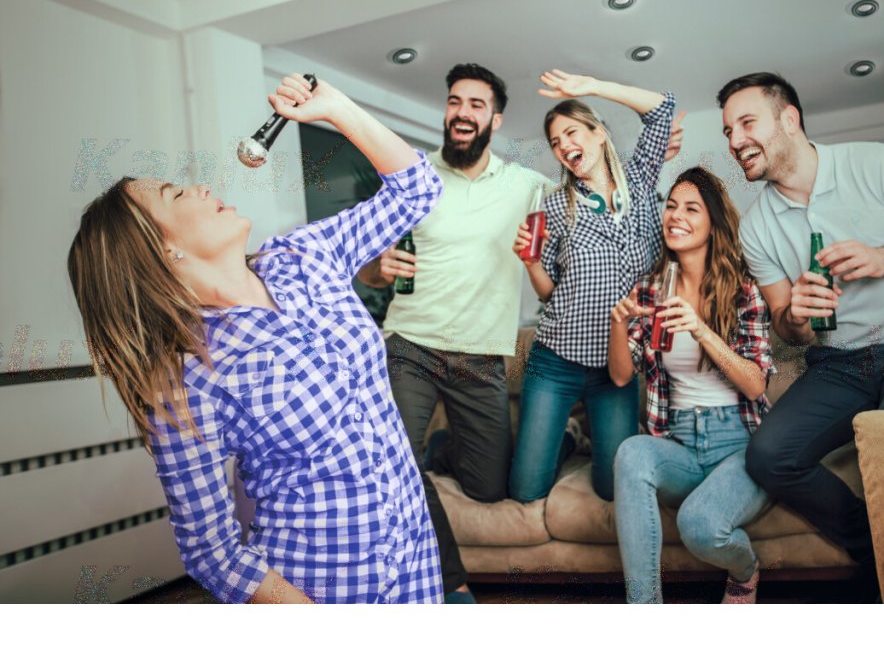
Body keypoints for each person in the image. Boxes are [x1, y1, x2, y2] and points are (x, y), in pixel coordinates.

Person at [66, 74, 444, 604]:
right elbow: (212, 552)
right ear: (162, 250)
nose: (200, 187)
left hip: (416, 563)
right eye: (177, 193)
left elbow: (418, 190)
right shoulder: (186, 380)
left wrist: (336, 108)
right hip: (326, 591)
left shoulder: (302, 256)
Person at [718, 71, 884, 572]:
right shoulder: (755, 228)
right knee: (769, 457)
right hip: (839, 364)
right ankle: (877, 553)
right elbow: (786, 326)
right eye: (728, 131)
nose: (735, 141)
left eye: (747, 123)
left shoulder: (878, 164)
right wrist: (796, 313)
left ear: (789, 119)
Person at [356, 63, 552, 602]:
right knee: (394, 461)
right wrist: (379, 268)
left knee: (488, 490)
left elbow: (591, 197)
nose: (462, 113)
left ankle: (442, 449)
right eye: (455, 101)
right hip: (409, 347)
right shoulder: (411, 177)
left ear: (495, 120)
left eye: (476, 105)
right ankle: (452, 584)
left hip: (480, 358)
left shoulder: (526, 185)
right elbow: (367, 267)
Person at [509, 69, 681, 503]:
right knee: (527, 490)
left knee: (611, 488)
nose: (564, 146)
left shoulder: (640, 181)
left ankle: (588, 440)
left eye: (572, 132)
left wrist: (592, 88)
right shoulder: (555, 206)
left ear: (599, 133)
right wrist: (530, 262)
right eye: (555, 142)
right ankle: (570, 438)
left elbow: (662, 108)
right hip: (556, 360)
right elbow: (549, 294)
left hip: (614, 369)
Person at [609, 167, 775, 604]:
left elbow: (755, 385)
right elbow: (622, 376)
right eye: (671, 206)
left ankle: (746, 569)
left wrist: (701, 329)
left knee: (699, 525)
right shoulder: (652, 290)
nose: (675, 216)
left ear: (713, 222)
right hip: (680, 441)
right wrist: (619, 323)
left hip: (741, 445)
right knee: (631, 453)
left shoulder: (744, 290)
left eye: (691, 208)